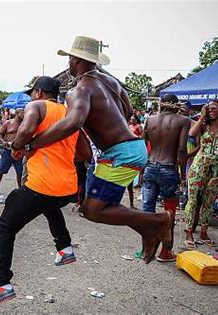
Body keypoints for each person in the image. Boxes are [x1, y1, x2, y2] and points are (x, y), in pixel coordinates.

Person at [29, 36, 172, 263]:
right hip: (129, 148)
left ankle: (158, 221)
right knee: (106, 206)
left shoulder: (79, 90)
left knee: (92, 210)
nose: (68, 64)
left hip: (121, 153)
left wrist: (35, 143)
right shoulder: (110, 82)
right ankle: (146, 230)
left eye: (69, 59)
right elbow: (128, 111)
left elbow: (72, 122)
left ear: (75, 60)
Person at [0, 76, 91, 305]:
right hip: (67, 189)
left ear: (38, 92)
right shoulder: (71, 116)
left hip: (43, 185)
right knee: (49, 205)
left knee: (5, 226)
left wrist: (16, 147)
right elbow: (85, 155)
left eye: (32, 93)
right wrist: (59, 154)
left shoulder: (36, 106)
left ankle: (2, 283)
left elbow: (24, 134)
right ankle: (64, 248)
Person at [140, 94, 191, 262]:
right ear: (177, 105)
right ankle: (165, 252)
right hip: (169, 169)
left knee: (147, 211)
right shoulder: (183, 121)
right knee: (169, 211)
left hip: (150, 166)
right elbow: (182, 150)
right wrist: (183, 176)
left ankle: (145, 250)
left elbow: (142, 144)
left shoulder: (150, 120)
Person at [184, 100, 218, 247]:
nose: (211, 110)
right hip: (199, 168)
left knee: (208, 202)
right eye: (209, 108)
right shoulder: (203, 125)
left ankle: (203, 232)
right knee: (193, 200)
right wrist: (201, 116)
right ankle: (188, 232)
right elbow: (191, 135)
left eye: (214, 108)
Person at [0, 108, 24, 195]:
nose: (25, 114)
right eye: (23, 112)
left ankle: (20, 189)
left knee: (20, 171)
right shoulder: (8, 123)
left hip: (20, 150)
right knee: (1, 170)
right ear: (17, 113)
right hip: (8, 150)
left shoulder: (25, 124)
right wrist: (3, 142)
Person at [126, 114, 143, 209]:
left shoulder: (139, 127)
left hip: (135, 151)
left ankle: (131, 204)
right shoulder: (128, 127)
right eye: (131, 119)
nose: (132, 120)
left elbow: (142, 137)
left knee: (130, 182)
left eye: (133, 119)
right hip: (129, 152)